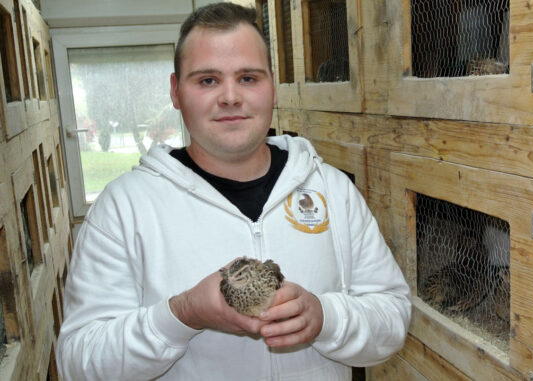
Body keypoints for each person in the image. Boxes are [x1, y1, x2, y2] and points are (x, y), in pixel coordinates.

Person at [56, 2, 411, 380]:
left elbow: (392, 318)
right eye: (207, 80)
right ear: (176, 92)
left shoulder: (332, 190)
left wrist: (326, 318)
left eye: (248, 78)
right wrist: (180, 315)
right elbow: (79, 363)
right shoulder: (124, 208)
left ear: (273, 88)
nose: (230, 97)